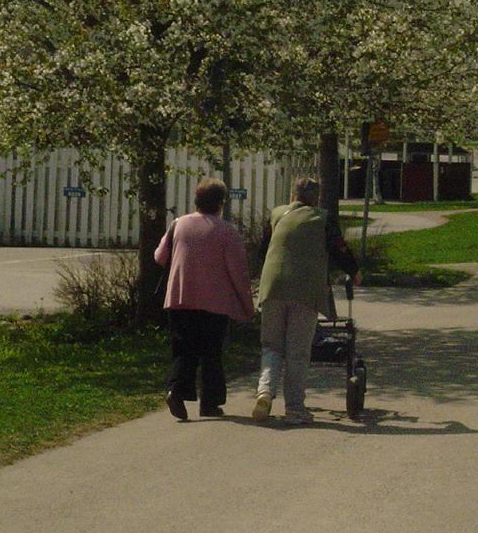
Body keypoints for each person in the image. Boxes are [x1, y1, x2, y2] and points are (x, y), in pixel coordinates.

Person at [253, 177, 362, 425]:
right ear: (316, 198)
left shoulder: (277, 214)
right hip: (304, 291)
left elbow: (263, 251)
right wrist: (355, 272)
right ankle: (294, 408)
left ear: (293, 195)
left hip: (272, 287)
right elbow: (338, 249)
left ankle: (265, 392)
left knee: (271, 346)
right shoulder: (322, 218)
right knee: (297, 351)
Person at [154, 178, 254, 420]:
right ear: (220, 204)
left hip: (179, 296)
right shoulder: (227, 232)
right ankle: (210, 402)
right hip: (214, 301)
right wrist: (247, 306)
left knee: (184, 349)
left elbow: (159, 257)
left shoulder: (178, 224)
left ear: (196, 201)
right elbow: (238, 272)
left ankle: (175, 390)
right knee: (211, 352)